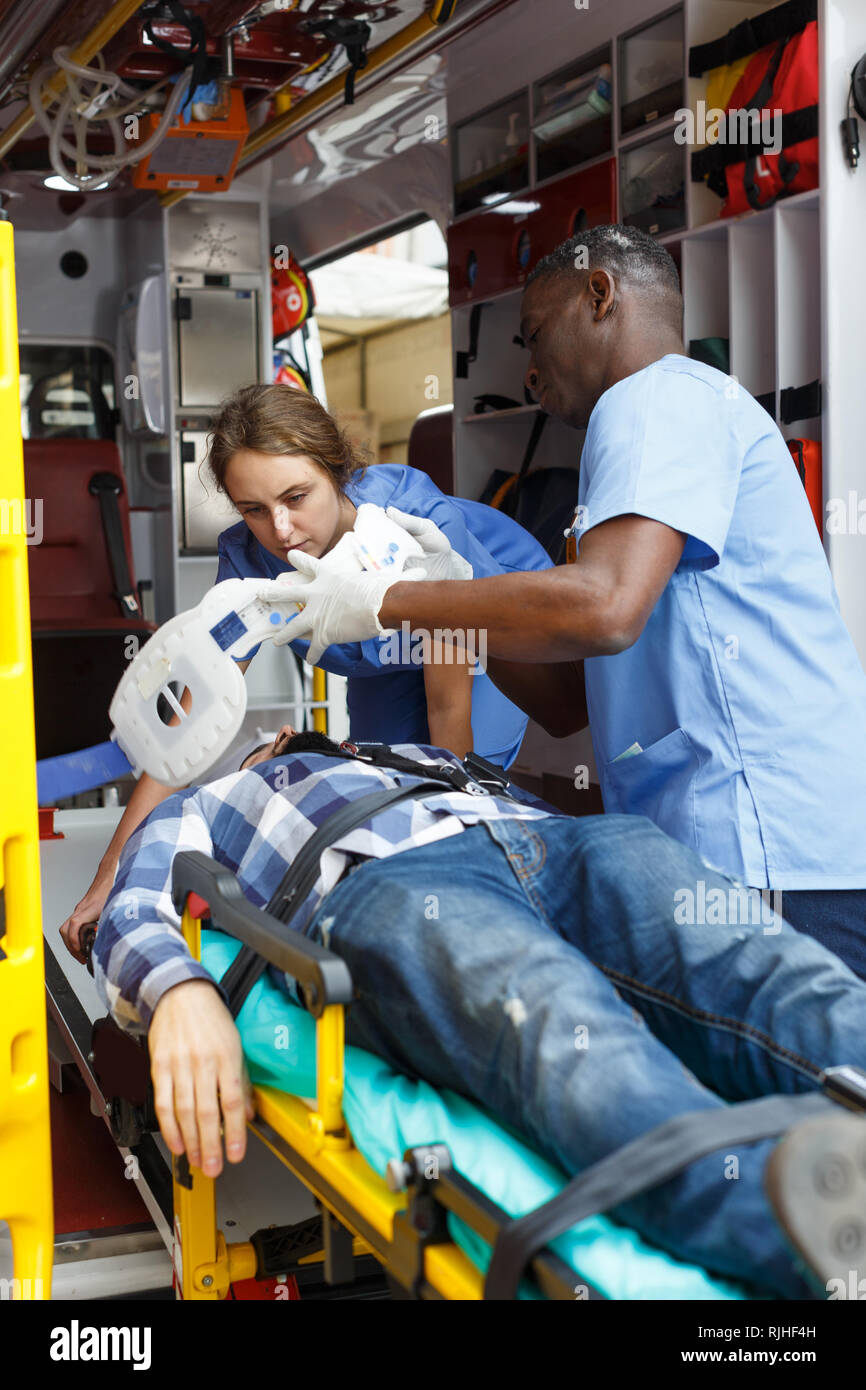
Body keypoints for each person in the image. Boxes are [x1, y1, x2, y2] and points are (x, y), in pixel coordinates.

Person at [268, 224, 866, 979]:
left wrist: (390, 598)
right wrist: (450, 589)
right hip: (732, 849)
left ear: (600, 293)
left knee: (810, 1091)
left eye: (533, 335)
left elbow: (607, 607)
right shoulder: (651, 431)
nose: (529, 373)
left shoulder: (656, 395)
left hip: (770, 847)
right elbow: (564, 701)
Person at [92, 726, 866, 1300]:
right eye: (253, 741)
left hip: (567, 845)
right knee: (562, 1029)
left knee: (772, 973)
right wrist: (182, 994)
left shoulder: (417, 754)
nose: (273, 737)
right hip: (391, 884)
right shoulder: (218, 800)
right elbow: (132, 906)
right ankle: (801, 1231)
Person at [59, 383, 552, 962]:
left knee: (450, 801)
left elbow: (449, 717)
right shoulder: (246, 561)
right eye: (254, 510)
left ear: (336, 469)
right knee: (382, 794)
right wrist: (108, 877)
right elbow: (183, 729)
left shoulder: (417, 522)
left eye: (297, 496)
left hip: (481, 637)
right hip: (383, 661)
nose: (282, 530)